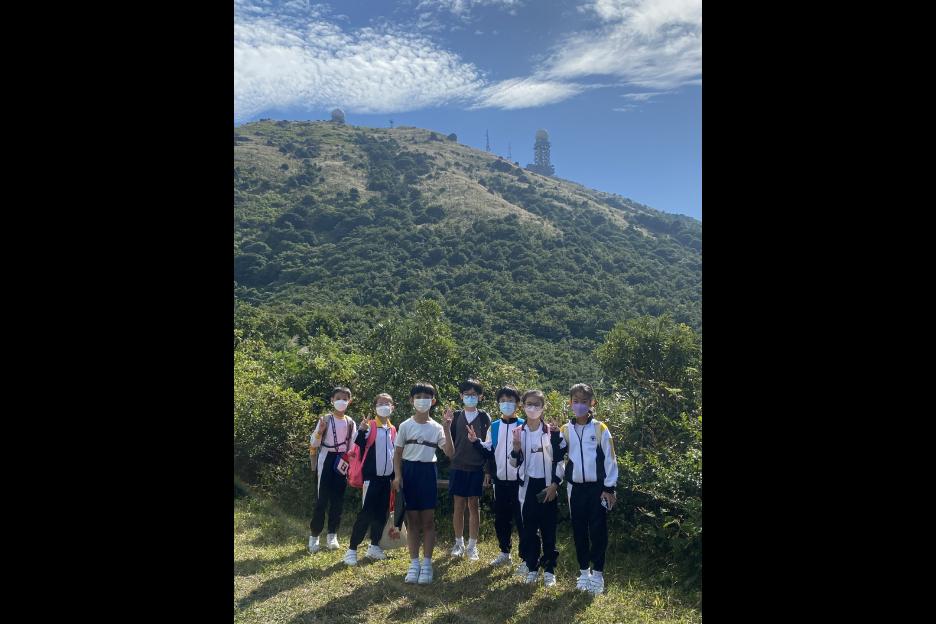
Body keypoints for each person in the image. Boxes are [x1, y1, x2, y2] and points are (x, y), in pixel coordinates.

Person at [554, 383, 618, 595]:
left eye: (584, 401)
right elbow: (557, 456)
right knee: (579, 530)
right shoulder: (565, 429)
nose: (579, 405)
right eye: (576, 401)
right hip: (575, 489)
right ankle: (583, 573)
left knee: (598, 530)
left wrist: (609, 487)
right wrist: (553, 435)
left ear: (592, 403)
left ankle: (598, 574)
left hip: (598, 488)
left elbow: (610, 459)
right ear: (570, 403)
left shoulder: (600, 428)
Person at [392, 382, 455, 584]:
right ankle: (414, 564)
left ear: (433, 401)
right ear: (411, 400)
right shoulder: (405, 425)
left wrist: (447, 429)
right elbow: (397, 454)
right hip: (409, 473)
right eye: (418, 396)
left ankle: (427, 564)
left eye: (426, 397)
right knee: (412, 522)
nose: (422, 400)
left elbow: (450, 453)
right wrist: (398, 476)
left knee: (428, 521)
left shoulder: (437, 427)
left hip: (428, 472)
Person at [508, 390, 565, 587]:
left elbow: (560, 460)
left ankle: (549, 569)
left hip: (548, 485)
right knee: (529, 529)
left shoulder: (552, 432)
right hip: (527, 486)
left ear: (543, 407)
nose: (532, 408)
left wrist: (555, 484)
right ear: (523, 406)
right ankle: (532, 567)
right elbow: (513, 464)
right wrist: (516, 448)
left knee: (549, 529)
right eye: (529, 404)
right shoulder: (518, 431)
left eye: (537, 404)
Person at [470, 385, 527, 575]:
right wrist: (475, 442)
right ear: (498, 404)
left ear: (518, 404)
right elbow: (489, 451)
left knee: (523, 520)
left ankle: (526, 558)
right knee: (501, 519)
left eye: (510, 400)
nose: (506, 404)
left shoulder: (525, 425)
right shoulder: (494, 426)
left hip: (520, 482)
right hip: (500, 481)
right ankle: (504, 553)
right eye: (502, 401)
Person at [343, 393, 398, 566]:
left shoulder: (393, 429)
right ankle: (352, 550)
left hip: (386, 480)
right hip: (371, 479)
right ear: (375, 407)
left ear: (393, 407)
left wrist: (395, 477)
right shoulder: (370, 426)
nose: (384, 406)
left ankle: (374, 546)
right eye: (380, 403)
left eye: (387, 403)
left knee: (382, 513)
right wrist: (361, 429)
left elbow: (394, 455)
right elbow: (358, 443)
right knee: (366, 513)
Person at [443, 379, 492, 561]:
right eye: (467, 394)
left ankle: (472, 546)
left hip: (477, 468)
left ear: (480, 396)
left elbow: (489, 446)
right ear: (461, 396)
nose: (470, 397)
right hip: (457, 467)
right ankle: (458, 543)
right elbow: (449, 446)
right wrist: (446, 426)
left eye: (474, 394)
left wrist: (488, 470)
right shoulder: (455, 416)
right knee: (458, 505)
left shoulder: (484, 418)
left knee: (473, 505)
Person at [308, 386, 358, 554]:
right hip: (326, 459)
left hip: (342, 461)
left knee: (337, 500)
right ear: (332, 400)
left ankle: (332, 535)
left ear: (349, 401)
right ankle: (314, 535)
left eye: (345, 399)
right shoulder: (325, 419)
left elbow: (353, 447)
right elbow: (314, 444)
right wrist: (320, 431)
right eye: (338, 398)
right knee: (321, 499)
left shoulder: (350, 422)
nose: (341, 402)